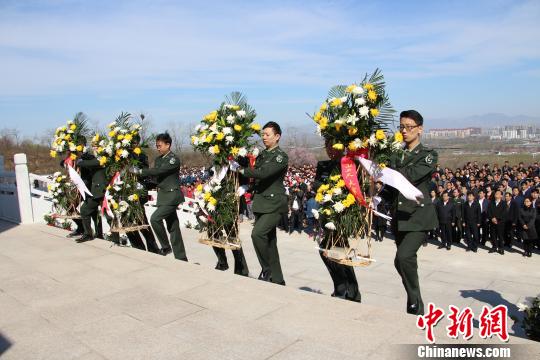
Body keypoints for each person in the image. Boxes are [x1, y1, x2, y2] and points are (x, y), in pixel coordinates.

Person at [388, 110, 438, 315]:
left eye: (409, 127)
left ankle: (415, 302)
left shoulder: (428, 155)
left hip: (418, 216)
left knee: (404, 256)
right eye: (401, 127)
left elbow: (410, 176)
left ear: (420, 129)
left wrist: (387, 169)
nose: (404, 131)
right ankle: (414, 300)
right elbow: (390, 186)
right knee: (402, 260)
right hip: (400, 216)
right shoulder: (396, 153)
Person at [239, 122, 288, 285]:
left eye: (267, 134)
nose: (264, 137)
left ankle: (267, 269)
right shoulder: (263, 155)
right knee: (270, 243)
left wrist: (242, 170)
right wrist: (246, 185)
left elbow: (264, 173)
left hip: (274, 203)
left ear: (277, 136)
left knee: (257, 234)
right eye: (263, 134)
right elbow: (256, 175)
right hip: (261, 202)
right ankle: (278, 279)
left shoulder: (280, 156)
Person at [313, 138, 361, 302]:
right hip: (327, 212)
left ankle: (349, 290)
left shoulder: (349, 164)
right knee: (328, 251)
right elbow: (316, 184)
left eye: (332, 145)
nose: (329, 149)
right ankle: (344, 288)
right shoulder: (323, 165)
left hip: (343, 213)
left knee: (338, 251)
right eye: (327, 145)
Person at [132, 133, 187, 260]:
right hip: (163, 196)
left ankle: (165, 246)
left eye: (160, 145)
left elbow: (159, 171)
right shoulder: (158, 159)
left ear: (168, 145)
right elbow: (156, 178)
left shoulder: (173, 159)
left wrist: (140, 171)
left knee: (155, 218)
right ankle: (181, 257)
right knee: (173, 227)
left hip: (172, 196)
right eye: (156, 146)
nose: (158, 148)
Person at [124, 136, 161, 254]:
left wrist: (134, 170)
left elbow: (145, 173)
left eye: (134, 143)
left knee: (141, 220)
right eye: (130, 143)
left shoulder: (141, 155)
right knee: (127, 220)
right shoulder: (121, 154)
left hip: (138, 191)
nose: (132, 145)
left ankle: (153, 247)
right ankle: (137, 246)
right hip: (125, 191)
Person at [75, 137, 106, 243]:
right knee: (93, 212)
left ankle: (89, 234)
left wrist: (79, 159)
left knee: (84, 210)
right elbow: (88, 158)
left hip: (100, 191)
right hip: (95, 190)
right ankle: (98, 234)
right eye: (93, 146)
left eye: (97, 146)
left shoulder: (102, 158)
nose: (94, 148)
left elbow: (86, 163)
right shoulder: (96, 157)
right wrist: (80, 153)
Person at [487, 190, 506, 255]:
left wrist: (497, 219)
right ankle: (494, 247)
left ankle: (501, 248)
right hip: (492, 222)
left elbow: (504, 213)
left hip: (500, 223)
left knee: (500, 236)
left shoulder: (504, 203)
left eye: (498, 193)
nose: (496, 194)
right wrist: (492, 218)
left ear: (501, 195)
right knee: (493, 235)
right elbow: (488, 211)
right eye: (496, 193)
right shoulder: (491, 203)